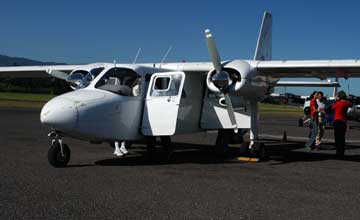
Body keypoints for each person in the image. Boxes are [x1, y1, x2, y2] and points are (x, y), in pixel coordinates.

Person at [332, 91, 351, 158]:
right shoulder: (347, 103)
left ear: (339, 96)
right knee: (342, 138)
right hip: (343, 122)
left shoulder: (338, 103)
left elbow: (331, 108)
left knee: (337, 138)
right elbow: (348, 103)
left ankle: (338, 152)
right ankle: (342, 152)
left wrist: (335, 100)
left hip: (337, 121)